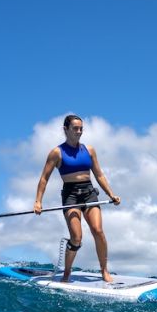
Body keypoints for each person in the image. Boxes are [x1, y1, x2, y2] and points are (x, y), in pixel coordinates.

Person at [34, 115, 121, 282]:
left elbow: (99, 175)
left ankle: (104, 270)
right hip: (70, 194)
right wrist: (38, 201)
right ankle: (67, 271)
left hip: (89, 192)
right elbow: (44, 178)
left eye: (81, 128)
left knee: (98, 230)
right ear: (65, 129)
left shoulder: (89, 150)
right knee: (76, 238)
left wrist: (111, 194)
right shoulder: (56, 153)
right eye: (75, 128)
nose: (79, 131)